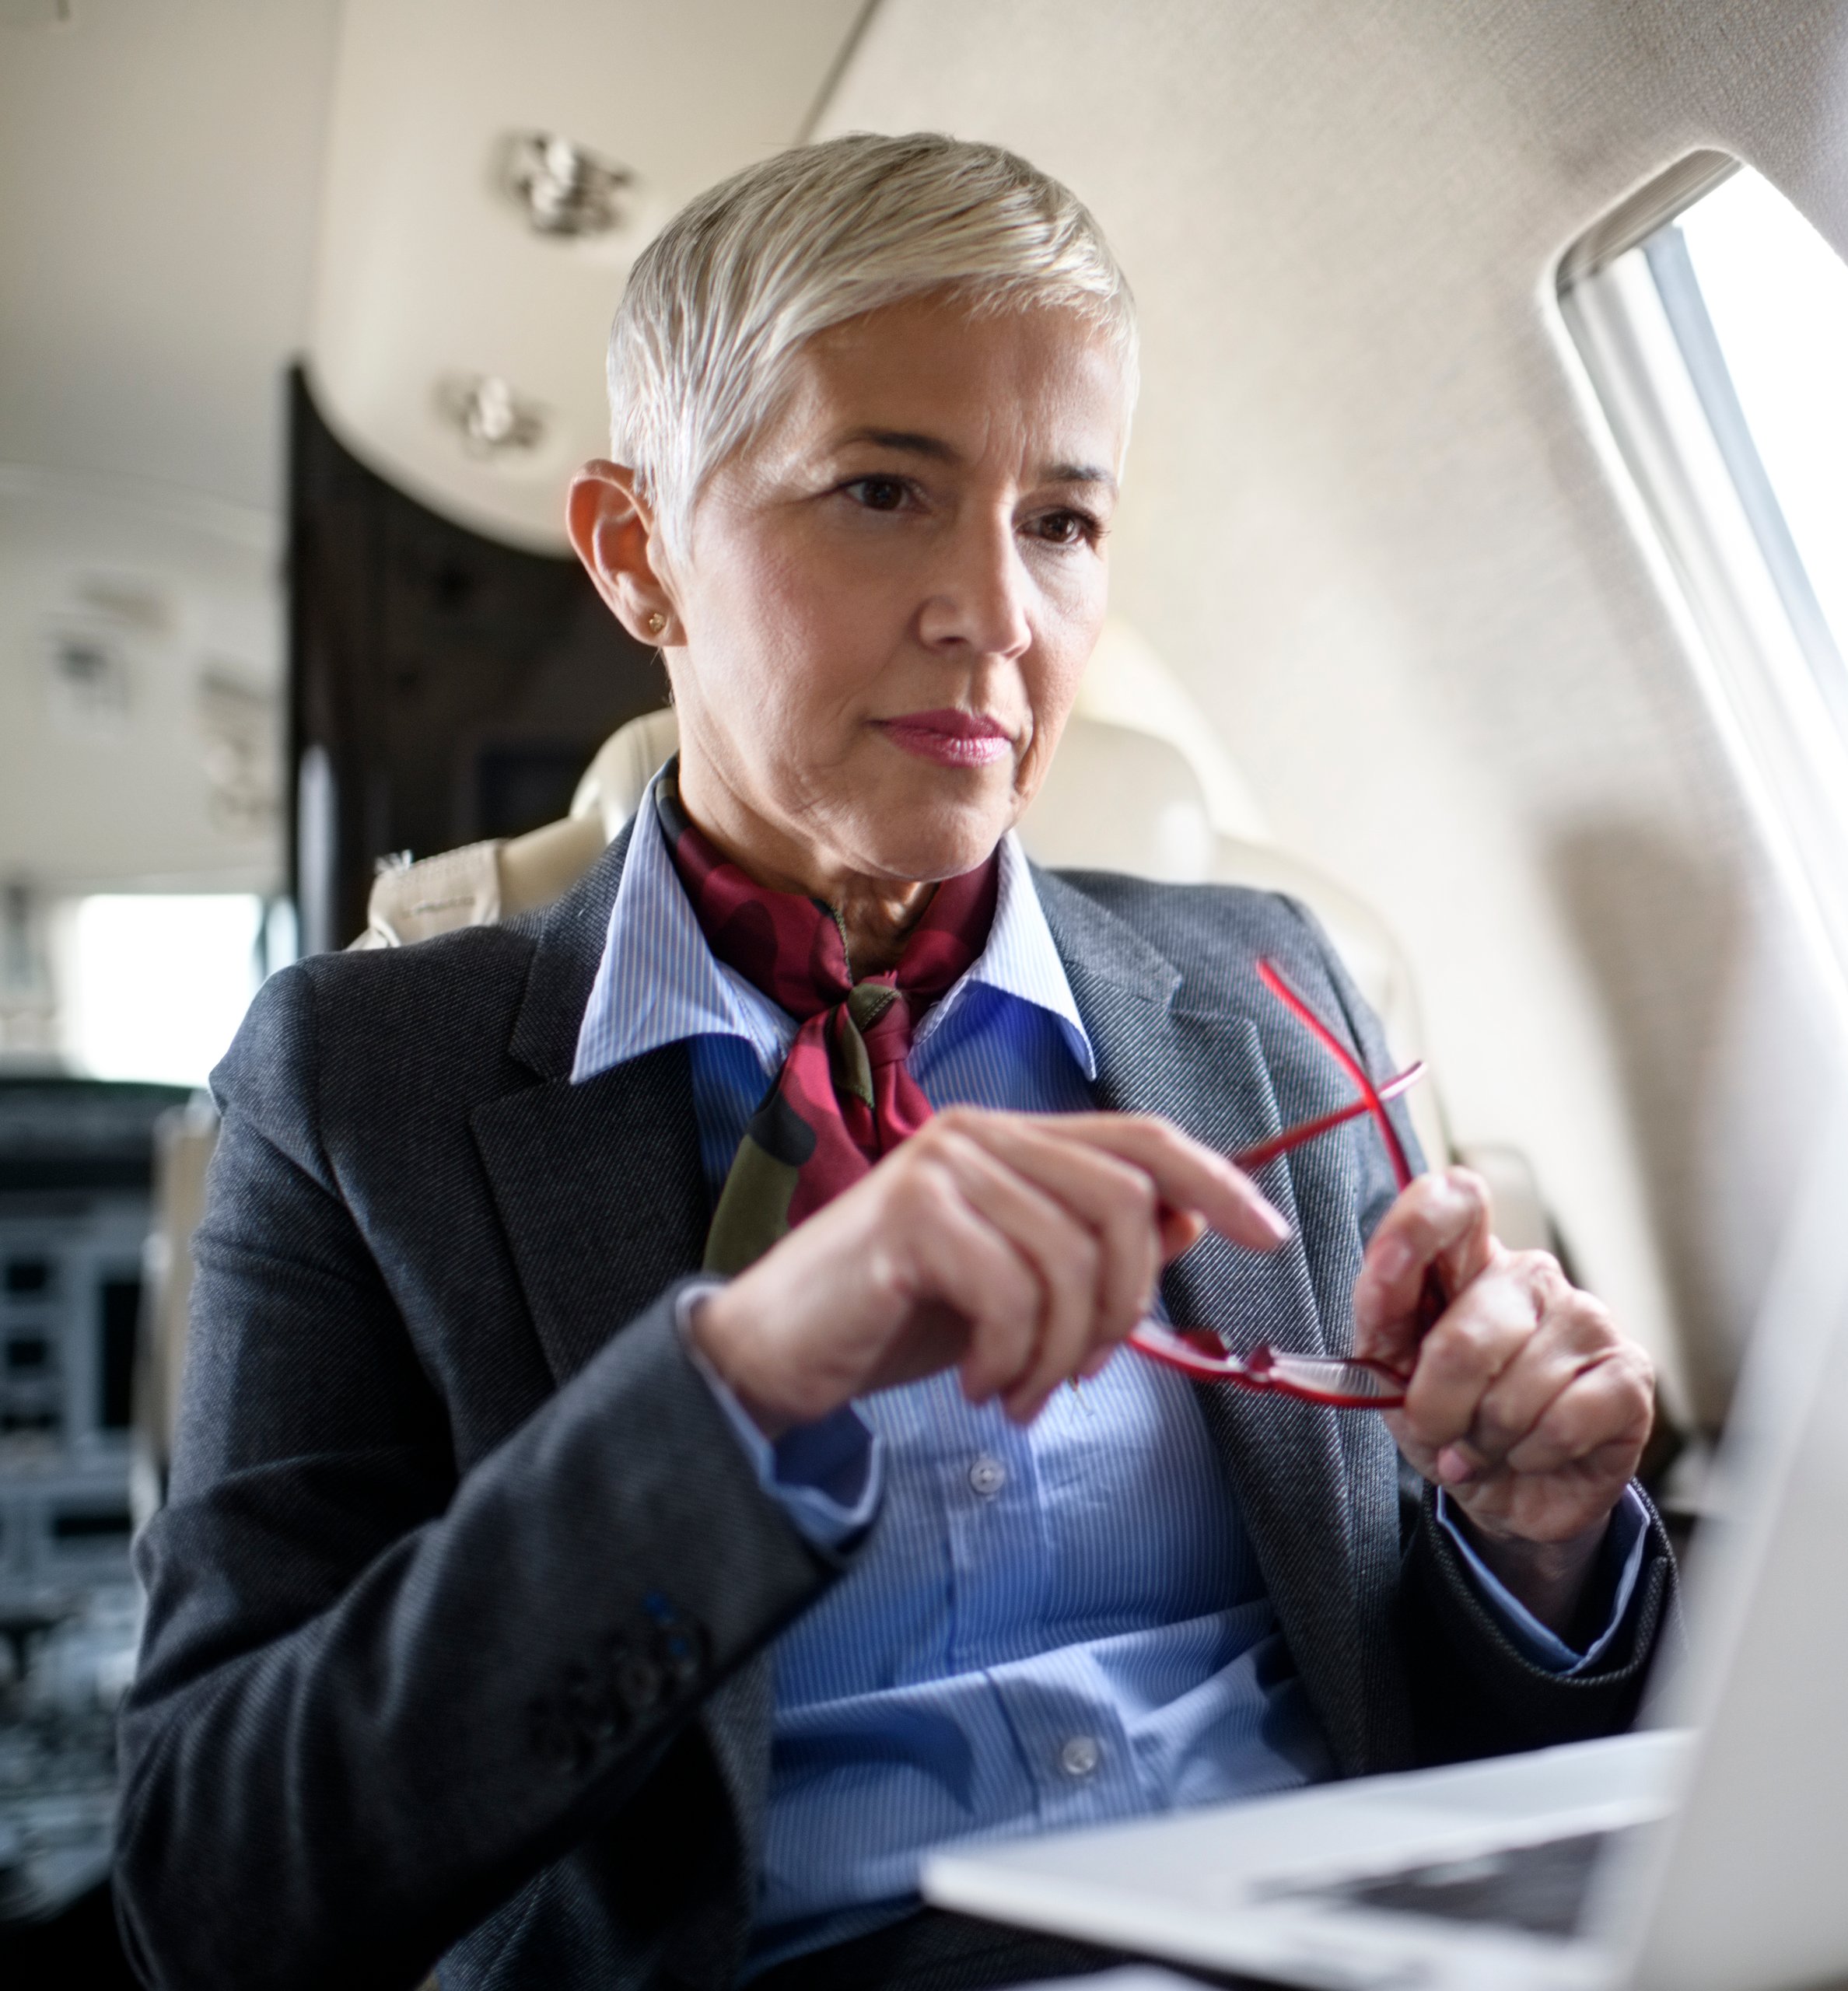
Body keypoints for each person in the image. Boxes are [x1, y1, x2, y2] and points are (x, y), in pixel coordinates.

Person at [113, 133, 1671, 1991]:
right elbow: (212, 1883)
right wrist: (748, 1383)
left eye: (1063, 522)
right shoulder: (364, 1081)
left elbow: (1434, 1720)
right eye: (879, 492)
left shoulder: (1271, 998)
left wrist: (1533, 1545)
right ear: (638, 557)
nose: (996, 614)